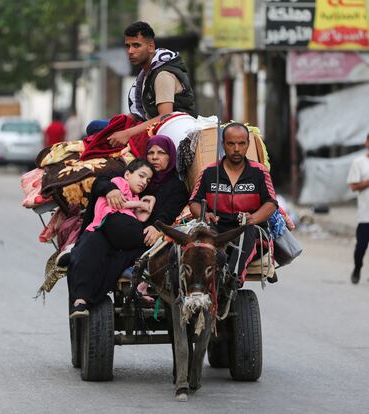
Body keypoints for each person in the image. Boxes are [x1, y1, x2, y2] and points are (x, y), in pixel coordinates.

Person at [67, 134, 188, 318]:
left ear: (170, 157)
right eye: (151, 153)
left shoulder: (176, 187)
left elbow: (168, 213)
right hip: (112, 228)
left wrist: (157, 227)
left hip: (142, 236)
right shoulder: (132, 173)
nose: (155, 157)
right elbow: (102, 182)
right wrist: (111, 190)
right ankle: (80, 301)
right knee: (90, 245)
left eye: (161, 153)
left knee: (124, 253)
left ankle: (94, 296)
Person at [189, 122, 278, 285]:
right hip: (217, 230)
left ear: (248, 144)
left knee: (247, 231)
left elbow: (271, 203)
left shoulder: (259, 172)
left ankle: (233, 276)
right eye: (231, 144)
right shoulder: (209, 172)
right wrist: (204, 215)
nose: (236, 149)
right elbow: (194, 202)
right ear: (223, 144)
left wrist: (253, 218)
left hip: (251, 233)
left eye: (241, 143)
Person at [107, 21, 197, 149]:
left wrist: (127, 133)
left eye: (136, 45)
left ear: (150, 47)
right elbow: (140, 112)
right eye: (128, 46)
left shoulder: (163, 75)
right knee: (98, 127)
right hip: (152, 128)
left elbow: (165, 117)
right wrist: (118, 126)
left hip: (171, 135)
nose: (130, 51)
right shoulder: (146, 73)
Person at [347, 133, 369, 284]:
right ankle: (357, 267)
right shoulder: (359, 162)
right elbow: (353, 186)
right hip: (365, 214)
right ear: (367, 143)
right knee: (361, 247)